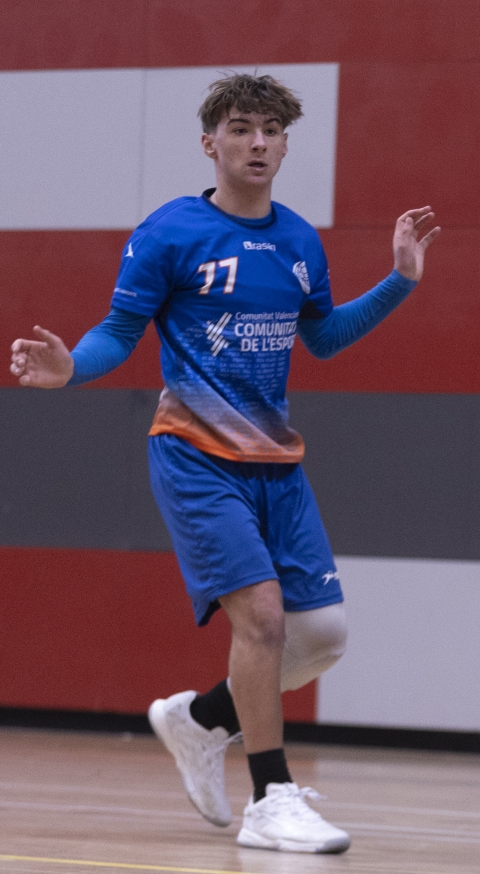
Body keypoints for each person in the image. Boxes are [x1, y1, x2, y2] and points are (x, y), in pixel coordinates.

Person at [9, 72, 439, 854]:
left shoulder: (298, 241)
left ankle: (200, 719)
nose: (258, 143)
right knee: (264, 619)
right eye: (241, 128)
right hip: (195, 455)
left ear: (285, 146)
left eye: (271, 131)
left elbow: (323, 338)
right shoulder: (170, 233)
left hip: (276, 463)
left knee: (322, 635)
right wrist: (71, 368)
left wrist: (399, 282)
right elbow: (119, 331)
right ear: (211, 143)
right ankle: (271, 799)